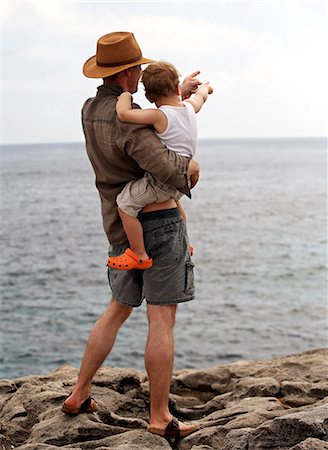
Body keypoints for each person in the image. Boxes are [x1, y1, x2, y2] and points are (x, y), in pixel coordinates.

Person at [61, 31, 201, 440]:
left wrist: (179, 96)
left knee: (116, 310)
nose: (140, 73)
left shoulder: (89, 111)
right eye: (137, 67)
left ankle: (78, 393)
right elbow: (171, 171)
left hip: (119, 227)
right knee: (162, 321)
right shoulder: (132, 125)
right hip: (158, 225)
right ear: (126, 73)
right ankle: (159, 417)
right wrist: (193, 168)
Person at [107, 61, 213, 270]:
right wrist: (204, 88)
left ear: (148, 97)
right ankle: (184, 241)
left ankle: (139, 254)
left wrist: (125, 96)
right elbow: (201, 97)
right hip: (181, 180)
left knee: (125, 204)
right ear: (177, 88)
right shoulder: (191, 108)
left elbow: (124, 114)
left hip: (162, 180)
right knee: (175, 202)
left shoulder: (159, 115)